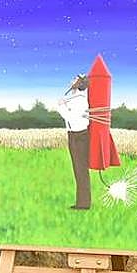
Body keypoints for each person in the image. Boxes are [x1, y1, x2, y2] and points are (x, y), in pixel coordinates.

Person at [55, 75, 91, 209]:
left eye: (74, 79)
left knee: (80, 169)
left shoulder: (79, 101)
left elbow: (70, 116)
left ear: (78, 84)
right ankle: (82, 202)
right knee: (78, 169)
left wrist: (61, 107)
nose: (71, 80)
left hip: (78, 136)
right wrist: (64, 104)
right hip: (75, 135)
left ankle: (83, 203)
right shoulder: (75, 99)